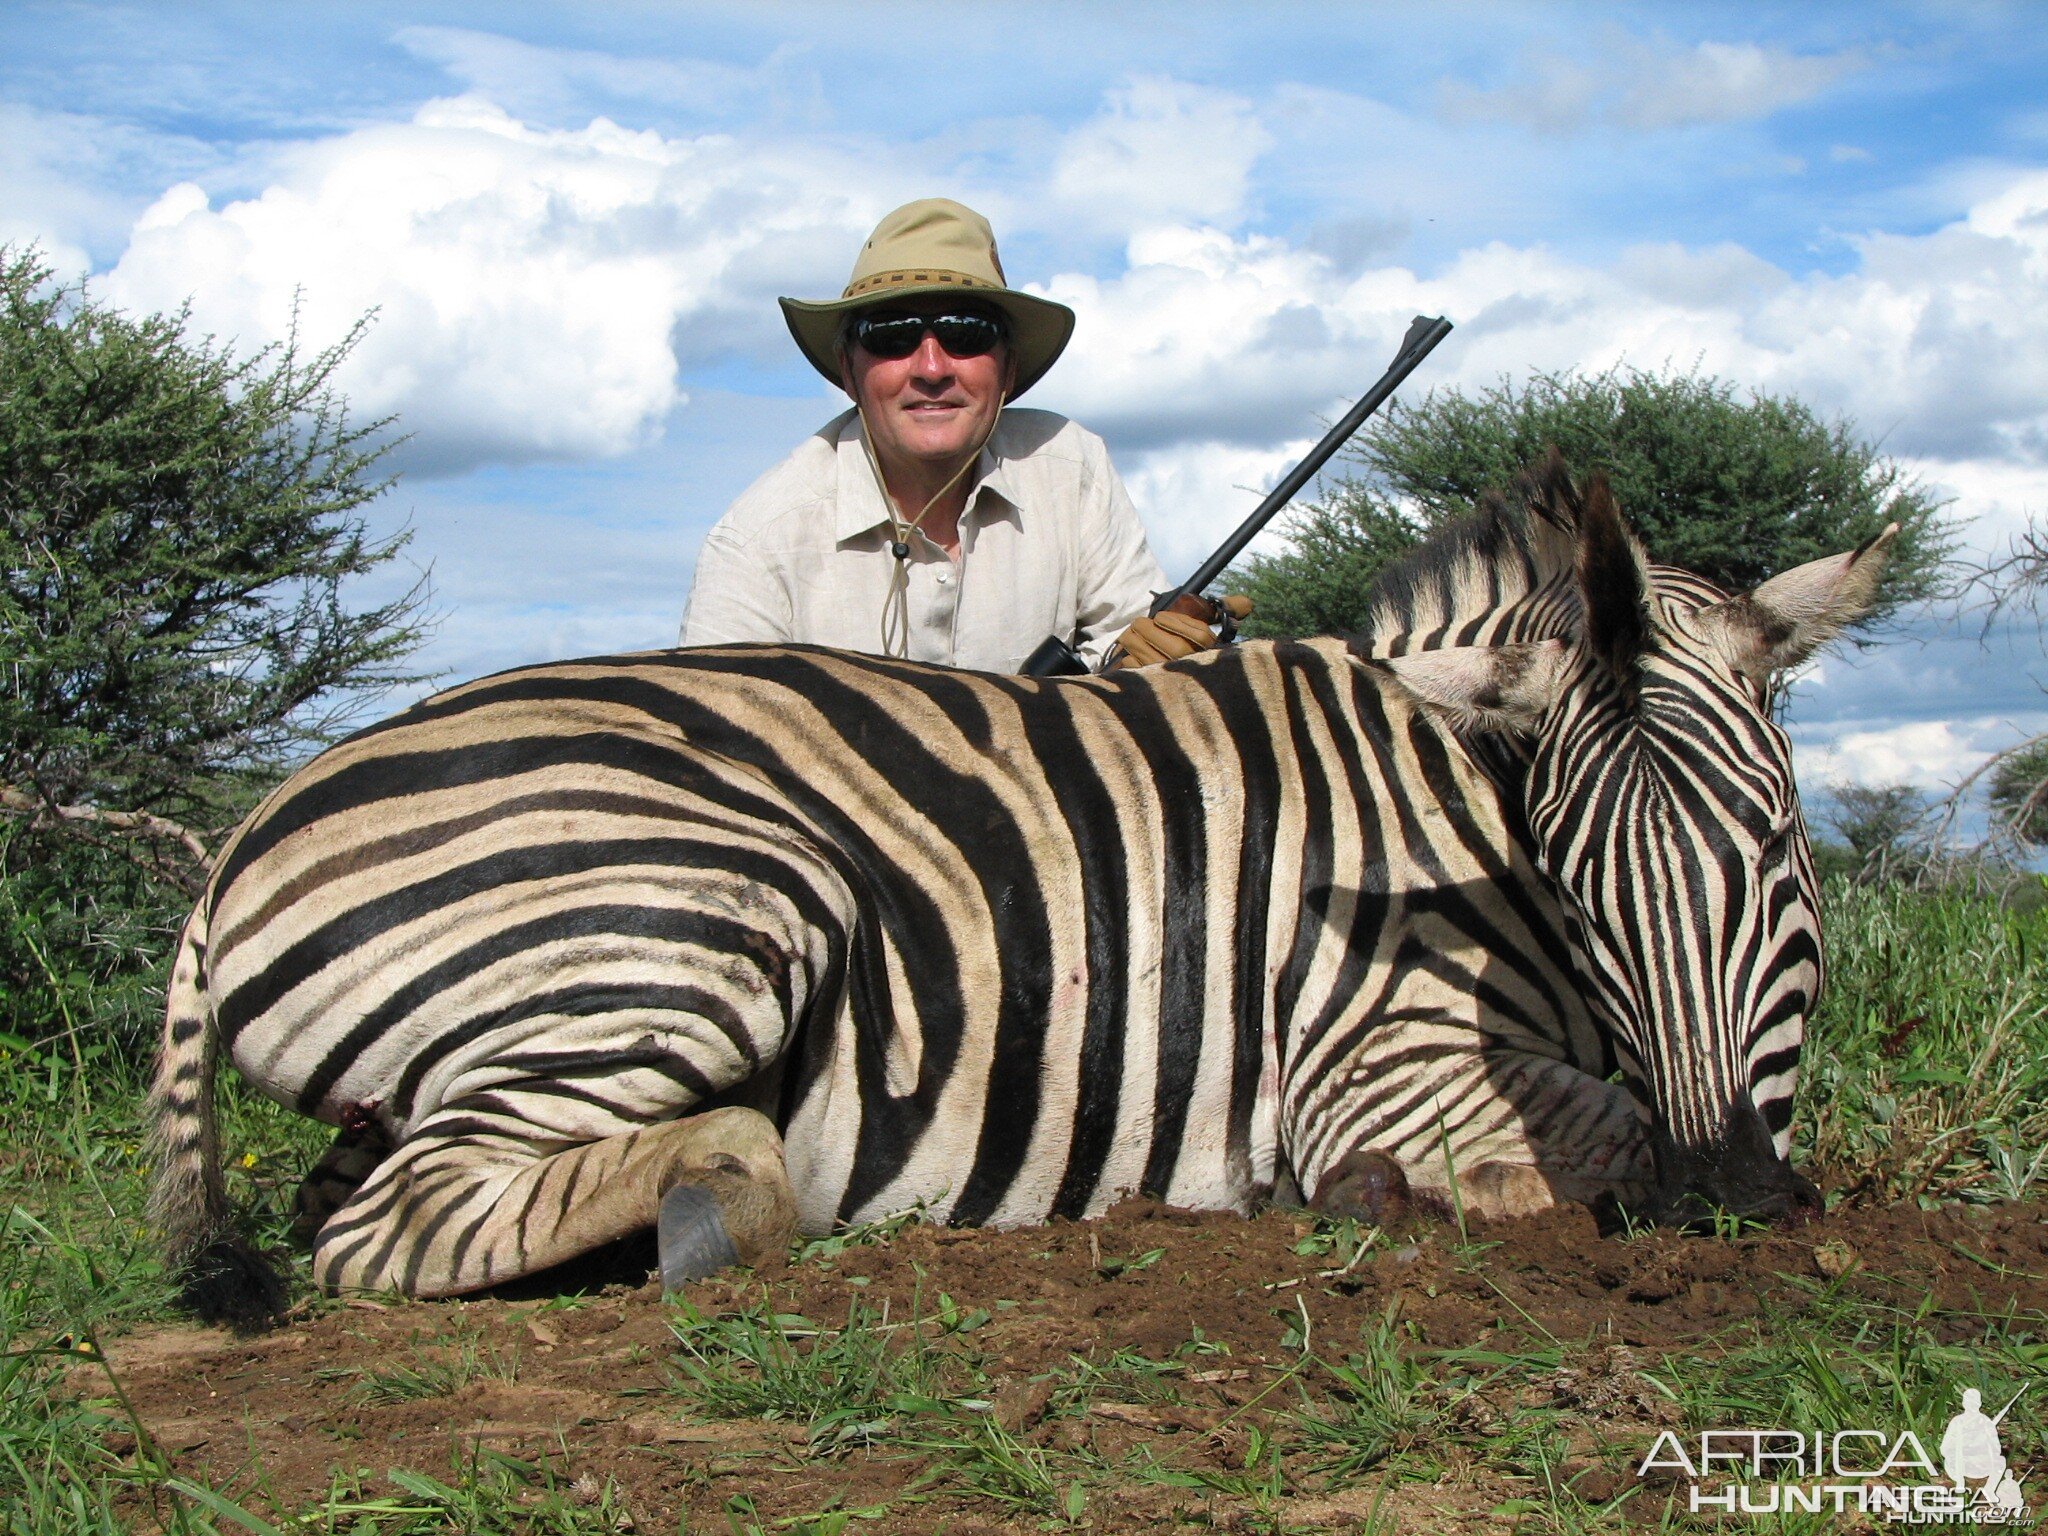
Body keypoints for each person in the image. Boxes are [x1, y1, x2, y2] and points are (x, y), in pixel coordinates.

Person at [680, 198, 1241, 673]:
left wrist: (1160, 666)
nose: (930, 367)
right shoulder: (756, 542)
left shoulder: (1072, 465)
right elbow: (713, 750)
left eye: (966, 332)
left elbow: (1134, 649)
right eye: (891, 334)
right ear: (849, 371)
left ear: (1009, 369)